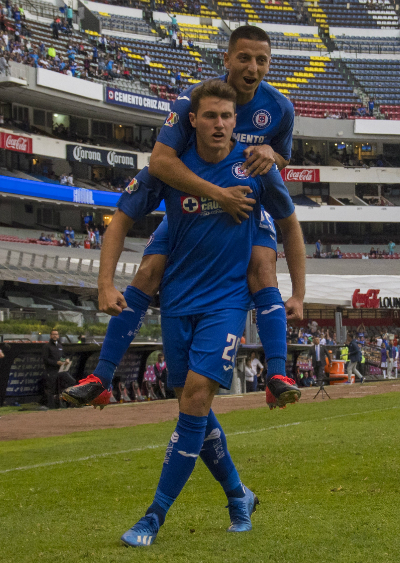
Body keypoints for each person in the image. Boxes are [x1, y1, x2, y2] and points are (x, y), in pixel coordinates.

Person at [91, 79, 303, 547]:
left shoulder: (255, 163)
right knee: (194, 406)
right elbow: (130, 203)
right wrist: (105, 283)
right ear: (193, 118)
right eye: (211, 116)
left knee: (194, 398)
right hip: (180, 298)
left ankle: (153, 517)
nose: (221, 124)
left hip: (226, 302)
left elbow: (289, 222)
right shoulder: (172, 160)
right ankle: (238, 495)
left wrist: (299, 291)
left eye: (228, 117)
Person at [63, 25, 305, 412]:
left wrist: (271, 157)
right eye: (244, 57)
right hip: (194, 205)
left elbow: (282, 158)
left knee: (262, 267)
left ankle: (276, 374)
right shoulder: (192, 100)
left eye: (262, 60)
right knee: (147, 273)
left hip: (243, 204)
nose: (253, 67)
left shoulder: (280, 108)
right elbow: (160, 161)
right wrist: (216, 194)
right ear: (226, 59)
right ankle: (102, 376)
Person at [41, 329, 73, 410]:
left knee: (71, 381)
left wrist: (66, 360)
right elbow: (46, 359)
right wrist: (56, 362)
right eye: (53, 334)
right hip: (51, 371)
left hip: (61, 370)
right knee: (52, 388)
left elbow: (62, 356)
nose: (55, 336)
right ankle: (52, 407)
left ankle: (69, 403)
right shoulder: (47, 346)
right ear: (50, 336)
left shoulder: (60, 346)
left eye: (56, 334)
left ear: (58, 336)